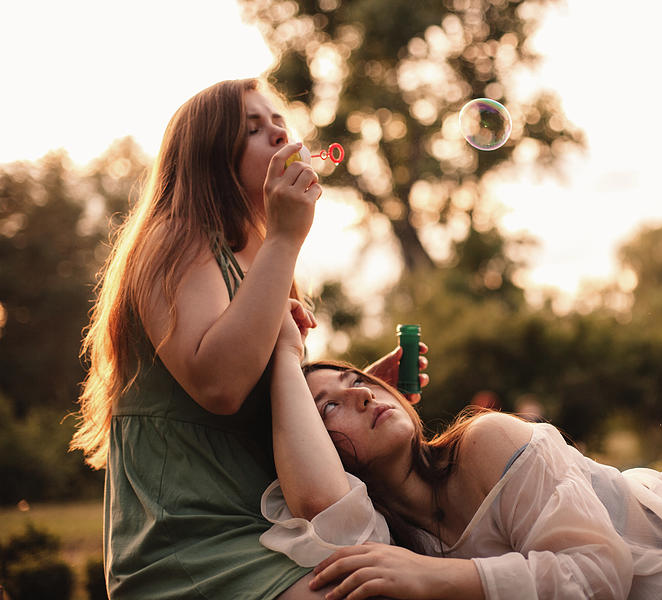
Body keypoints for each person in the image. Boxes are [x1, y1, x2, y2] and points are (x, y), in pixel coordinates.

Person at [259, 308, 662, 600]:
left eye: (360, 382)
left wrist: (447, 580)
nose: (364, 395)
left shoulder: (486, 441)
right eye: (330, 409)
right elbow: (322, 503)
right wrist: (287, 359)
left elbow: (599, 572)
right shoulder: (398, 544)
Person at [69, 78, 409, 599]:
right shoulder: (177, 236)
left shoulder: (263, 259)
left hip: (266, 528)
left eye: (278, 121)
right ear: (210, 157)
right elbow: (221, 385)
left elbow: (271, 402)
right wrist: (285, 237)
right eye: (252, 128)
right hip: (190, 542)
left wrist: (351, 397)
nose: (276, 132)